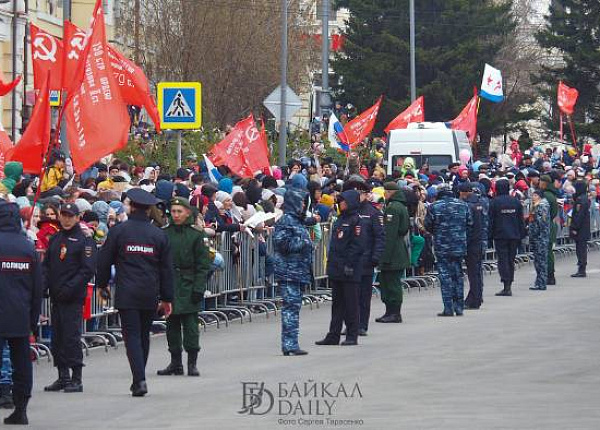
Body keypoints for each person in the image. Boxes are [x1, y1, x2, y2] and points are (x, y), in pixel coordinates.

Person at [96, 188, 174, 397]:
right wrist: (167, 298)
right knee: (143, 335)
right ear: (149, 210)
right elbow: (167, 269)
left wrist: (101, 285)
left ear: (130, 207)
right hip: (150, 292)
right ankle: (139, 378)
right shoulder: (158, 234)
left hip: (127, 292)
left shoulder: (119, 231)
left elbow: (104, 260)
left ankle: (139, 379)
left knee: (131, 336)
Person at [43, 203, 96, 393]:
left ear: (76, 217)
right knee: (57, 337)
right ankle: (62, 376)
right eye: (63, 215)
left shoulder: (84, 240)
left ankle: (76, 378)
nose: (66, 219)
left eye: (70, 215)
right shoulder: (56, 238)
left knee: (71, 337)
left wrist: (69, 288)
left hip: (72, 297)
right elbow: (47, 266)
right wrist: (43, 286)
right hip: (56, 296)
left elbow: (87, 269)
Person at [0, 201, 42, 425]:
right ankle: (21, 408)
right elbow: (37, 289)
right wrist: (33, 321)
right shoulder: (29, 248)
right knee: (22, 364)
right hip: (20, 316)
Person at [157, 197, 210, 376]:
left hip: (189, 282)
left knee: (191, 326)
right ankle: (175, 362)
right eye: (173, 211)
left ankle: (192, 362)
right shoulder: (164, 233)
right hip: (170, 282)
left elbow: (203, 265)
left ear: (187, 212)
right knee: (171, 324)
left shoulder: (196, 234)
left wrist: (199, 288)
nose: (176, 215)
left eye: (180, 211)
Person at [316, 190, 365, 346]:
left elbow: (357, 246)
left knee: (351, 304)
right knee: (337, 304)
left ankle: (352, 334)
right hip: (337, 267)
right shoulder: (340, 219)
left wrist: (349, 265)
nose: (340, 203)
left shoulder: (356, 221)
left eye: (343, 201)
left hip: (349, 268)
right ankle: (333, 334)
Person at [272, 188, 313, 356]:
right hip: (289, 271)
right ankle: (289, 345)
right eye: (302, 201)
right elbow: (281, 244)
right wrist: (303, 242)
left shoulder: (297, 220)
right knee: (290, 307)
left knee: (294, 307)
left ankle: (292, 343)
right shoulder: (286, 220)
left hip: (298, 271)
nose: (304, 204)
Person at [425, 184, 472, 317]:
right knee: (458, 275)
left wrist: (437, 233)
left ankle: (448, 308)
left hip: (442, 246)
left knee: (445, 276)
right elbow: (470, 224)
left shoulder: (434, 206)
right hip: (459, 245)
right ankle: (459, 307)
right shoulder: (463, 205)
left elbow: (428, 225)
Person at [376, 182, 409, 323]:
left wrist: (384, 256)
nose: (384, 194)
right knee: (389, 282)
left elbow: (389, 234)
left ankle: (393, 313)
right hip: (397, 249)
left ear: (391, 192)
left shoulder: (393, 208)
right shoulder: (400, 206)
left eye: (386, 191)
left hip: (393, 252)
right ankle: (391, 312)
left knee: (391, 284)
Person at [489, 179, 527, 296]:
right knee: (510, 260)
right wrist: (522, 234)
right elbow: (520, 220)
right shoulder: (515, 202)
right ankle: (509, 283)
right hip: (514, 235)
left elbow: (491, 221)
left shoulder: (494, 202)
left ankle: (506, 285)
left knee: (503, 260)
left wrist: (489, 236)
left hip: (500, 235)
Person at [459, 182, 488, 309]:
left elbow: (468, 226)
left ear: (464, 192)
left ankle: (474, 299)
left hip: (471, 242)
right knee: (476, 272)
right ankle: (476, 296)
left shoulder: (468, 206)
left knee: (473, 273)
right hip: (480, 240)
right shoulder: (480, 203)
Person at [529, 190, 551, 290]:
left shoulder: (542, 206)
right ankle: (539, 281)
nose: (533, 197)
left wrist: (540, 235)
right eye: (533, 195)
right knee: (537, 261)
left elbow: (542, 222)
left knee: (541, 261)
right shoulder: (536, 205)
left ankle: (542, 283)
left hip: (540, 237)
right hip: (536, 237)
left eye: (535, 195)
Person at [540, 174, 559, 285]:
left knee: (546, 252)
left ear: (544, 183)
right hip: (550, 225)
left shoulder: (545, 196)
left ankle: (549, 275)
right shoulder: (552, 195)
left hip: (545, 227)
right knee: (548, 251)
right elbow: (554, 213)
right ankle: (550, 275)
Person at [570, 181, 591, 277]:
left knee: (581, 249)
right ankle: (581, 268)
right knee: (581, 249)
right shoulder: (583, 198)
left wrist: (574, 227)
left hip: (581, 229)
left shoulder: (581, 200)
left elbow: (579, 215)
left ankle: (582, 269)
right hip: (583, 228)